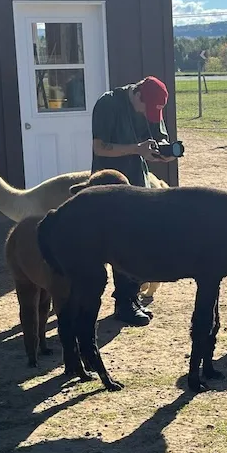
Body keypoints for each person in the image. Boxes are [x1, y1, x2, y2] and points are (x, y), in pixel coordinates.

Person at [89, 75, 177, 326]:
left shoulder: (150, 107)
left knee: (137, 242)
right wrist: (137, 148)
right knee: (118, 243)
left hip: (138, 183)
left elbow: (157, 139)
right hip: (109, 184)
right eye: (146, 108)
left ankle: (132, 297)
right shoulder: (108, 104)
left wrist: (163, 154)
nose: (148, 115)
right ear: (137, 94)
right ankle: (123, 304)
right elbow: (100, 147)